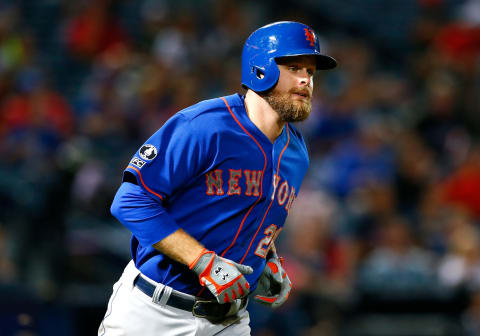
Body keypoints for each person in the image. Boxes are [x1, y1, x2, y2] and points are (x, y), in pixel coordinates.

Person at [98, 21, 337, 336]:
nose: (307, 80)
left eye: (311, 72)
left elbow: (255, 212)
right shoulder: (203, 126)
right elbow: (130, 201)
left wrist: (266, 260)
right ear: (261, 69)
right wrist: (202, 261)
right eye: (294, 68)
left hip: (229, 321)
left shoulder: (296, 153)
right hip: (154, 312)